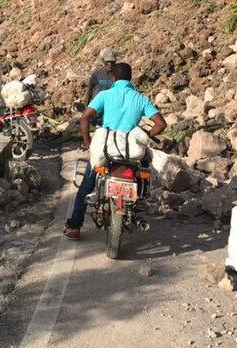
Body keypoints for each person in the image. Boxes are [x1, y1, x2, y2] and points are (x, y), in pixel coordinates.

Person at [65, 62, 167, 240]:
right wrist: (145, 135)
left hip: (107, 149)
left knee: (87, 185)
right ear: (130, 78)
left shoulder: (106, 95)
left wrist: (88, 142)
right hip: (131, 150)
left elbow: (85, 117)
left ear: (114, 78)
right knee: (143, 173)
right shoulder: (141, 99)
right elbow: (161, 124)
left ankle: (74, 226)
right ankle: (139, 200)